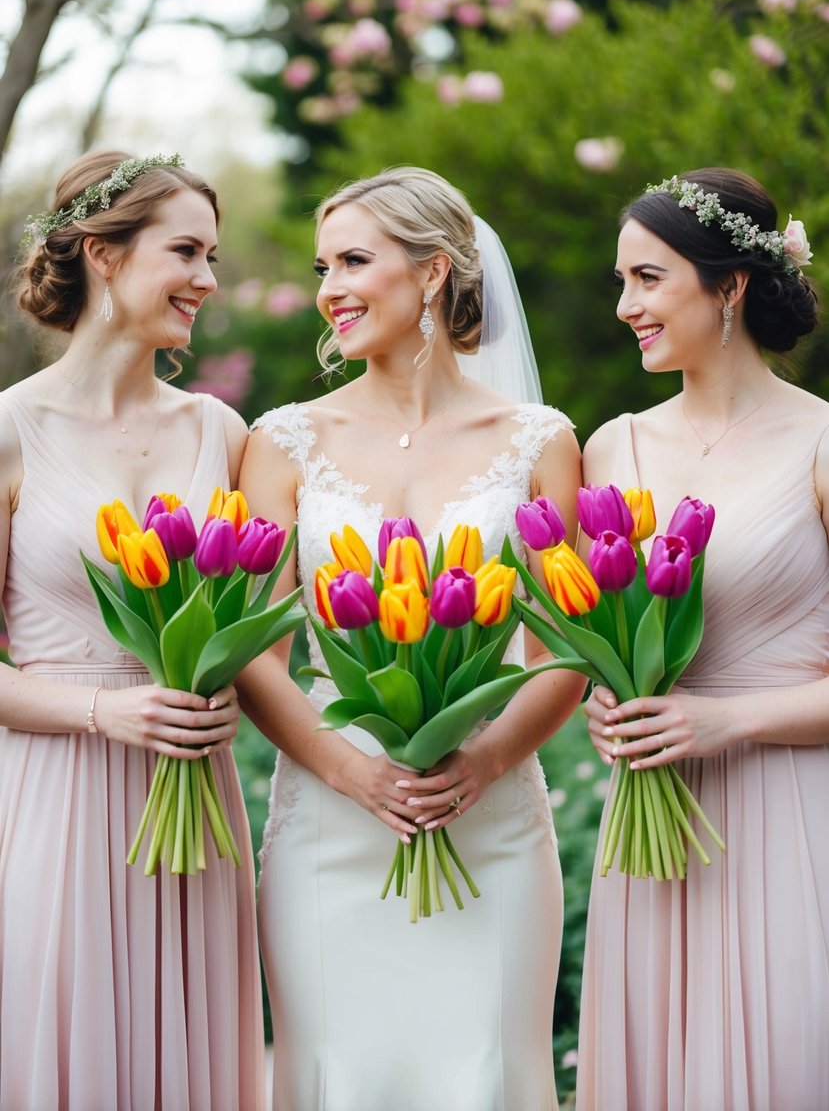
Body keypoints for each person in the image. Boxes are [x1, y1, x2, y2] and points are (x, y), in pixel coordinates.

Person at [236, 165, 584, 1111]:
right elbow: (256, 656)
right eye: (322, 266)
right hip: (330, 814)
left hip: (492, 813)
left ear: (431, 273)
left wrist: (485, 760)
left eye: (355, 260)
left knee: (483, 1071)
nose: (330, 289)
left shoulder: (538, 439)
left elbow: (565, 650)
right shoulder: (281, 442)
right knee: (336, 1073)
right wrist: (349, 773)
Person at [0, 150, 265, 1110]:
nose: (206, 279)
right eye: (186, 251)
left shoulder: (221, 436)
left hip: (195, 800)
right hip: (55, 799)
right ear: (104, 257)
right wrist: (109, 712)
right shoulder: (10, 431)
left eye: (212, 256)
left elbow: (259, 631)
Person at [575, 168, 828, 1111]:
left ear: (727, 287)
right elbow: (592, 625)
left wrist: (726, 723)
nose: (626, 305)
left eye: (648, 279)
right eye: (620, 282)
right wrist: (607, 692)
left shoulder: (818, 445)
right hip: (647, 828)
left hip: (787, 818)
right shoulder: (613, 449)